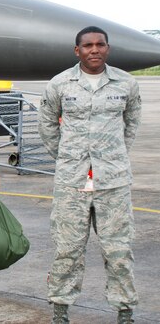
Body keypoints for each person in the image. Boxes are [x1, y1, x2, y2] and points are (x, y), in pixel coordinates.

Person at [38, 26, 141, 324]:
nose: (94, 50)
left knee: (119, 251)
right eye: (88, 45)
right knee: (66, 250)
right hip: (72, 183)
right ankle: (60, 312)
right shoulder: (60, 85)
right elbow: (47, 124)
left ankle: (125, 313)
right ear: (77, 50)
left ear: (107, 48)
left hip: (114, 183)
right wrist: (67, 158)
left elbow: (131, 123)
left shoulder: (126, 83)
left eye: (100, 45)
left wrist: (114, 154)